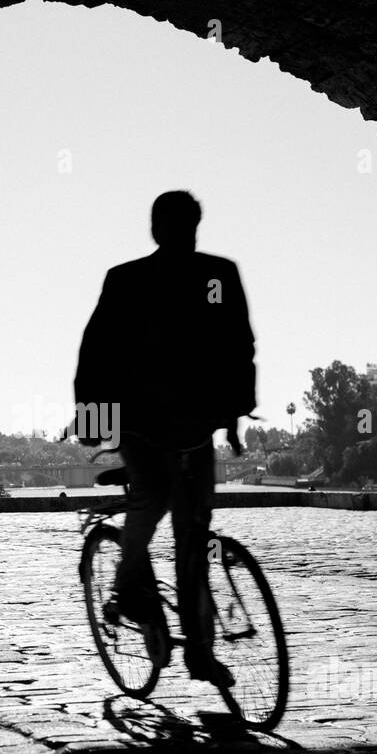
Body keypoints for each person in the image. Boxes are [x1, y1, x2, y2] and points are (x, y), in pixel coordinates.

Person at [73, 190, 256, 688]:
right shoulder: (130, 280)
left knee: (194, 539)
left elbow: (238, 346)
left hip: (194, 429)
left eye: (188, 230)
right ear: (162, 232)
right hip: (141, 428)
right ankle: (130, 588)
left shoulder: (209, 276)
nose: (184, 239)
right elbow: (96, 355)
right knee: (153, 498)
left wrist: (234, 413)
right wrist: (97, 419)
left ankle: (200, 651)